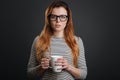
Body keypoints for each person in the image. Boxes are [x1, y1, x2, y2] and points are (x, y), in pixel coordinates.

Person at [27, 0, 87, 80]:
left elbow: (83, 75)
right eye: (54, 16)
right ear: (48, 19)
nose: (58, 21)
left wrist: (68, 67)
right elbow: (29, 74)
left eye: (62, 17)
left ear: (68, 19)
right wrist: (41, 67)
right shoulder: (38, 40)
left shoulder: (77, 41)